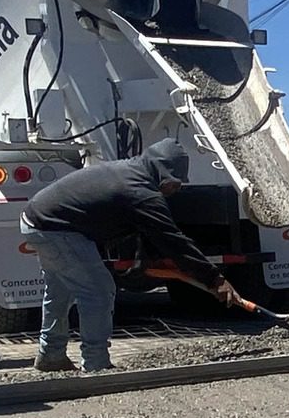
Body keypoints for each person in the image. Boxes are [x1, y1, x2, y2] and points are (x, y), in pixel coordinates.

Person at [18, 139, 242, 372]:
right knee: (98, 290)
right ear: (163, 173)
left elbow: (135, 227)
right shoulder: (141, 192)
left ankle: (51, 355)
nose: (176, 189)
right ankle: (96, 364)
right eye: (175, 182)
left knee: (59, 290)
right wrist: (215, 279)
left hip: (37, 218)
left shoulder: (130, 170)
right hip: (56, 229)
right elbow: (174, 242)